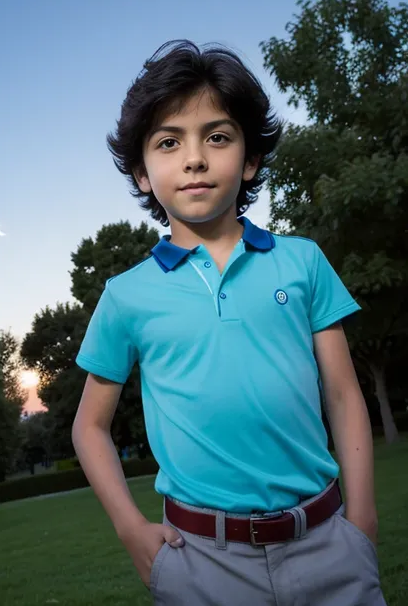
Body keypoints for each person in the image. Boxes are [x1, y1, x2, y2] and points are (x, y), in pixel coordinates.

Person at [72, 40, 386, 605]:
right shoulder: (125, 296)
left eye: (216, 137)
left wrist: (360, 517)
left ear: (249, 159)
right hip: (200, 564)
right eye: (169, 142)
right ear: (143, 173)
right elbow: (89, 428)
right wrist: (130, 528)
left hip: (327, 542)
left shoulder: (303, 260)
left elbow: (342, 394)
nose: (194, 158)